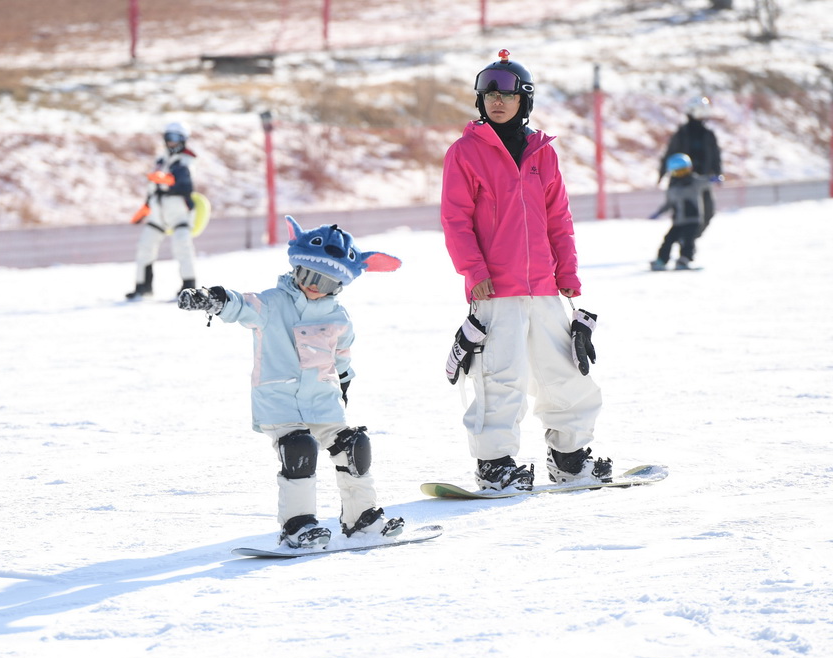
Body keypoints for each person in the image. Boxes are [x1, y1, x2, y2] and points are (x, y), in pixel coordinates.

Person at [177, 216, 405, 549]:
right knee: (299, 448)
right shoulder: (273, 303)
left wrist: (343, 387)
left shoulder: (339, 317)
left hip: (323, 400)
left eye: (326, 283)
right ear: (296, 268)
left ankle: (363, 519)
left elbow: (342, 358)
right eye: (309, 275)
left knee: (353, 447)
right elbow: (242, 304)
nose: (315, 286)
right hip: (280, 401)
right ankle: (298, 526)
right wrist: (212, 298)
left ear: (340, 286)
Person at [439, 49, 611, 492]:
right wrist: (473, 271)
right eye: (487, 93)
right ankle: (495, 466)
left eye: (506, 93)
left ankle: (570, 459)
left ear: (524, 99)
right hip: (495, 290)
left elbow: (559, 220)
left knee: (565, 372)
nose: (496, 100)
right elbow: (455, 219)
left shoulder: (542, 153)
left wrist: (567, 275)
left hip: (545, 288)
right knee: (501, 377)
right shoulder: (464, 154)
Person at [126, 122, 198, 299]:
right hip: (158, 211)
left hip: (178, 210)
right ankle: (143, 286)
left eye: (175, 138)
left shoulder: (185, 161)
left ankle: (189, 287)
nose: (171, 143)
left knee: (182, 246)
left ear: (182, 140)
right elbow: (153, 188)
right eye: (168, 138)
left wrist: (166, 180)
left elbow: (184, 185)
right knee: (145, 246)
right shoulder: (161, 161)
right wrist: (145, 208)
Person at [658, 96, 723, 232]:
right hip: (681, 180)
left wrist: (717, 173)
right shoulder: (682, 133)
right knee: (682, 215)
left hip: (702, 179)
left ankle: (691, 238)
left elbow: (715, 156)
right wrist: (662, 174)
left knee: (707, 212)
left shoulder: (708, 134)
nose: (702, 116)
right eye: (700, 112)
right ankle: (683, 243)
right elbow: (669, 154)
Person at [649, 153, 712, 271]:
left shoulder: (694, 182)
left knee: (688, 240)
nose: (680, 175)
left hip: (693, 219)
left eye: (683, 171)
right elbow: (668, 204)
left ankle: (685, 259)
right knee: (668, 239)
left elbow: (705, 181)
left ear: (689, 169)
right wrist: (659, 212)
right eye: (677, 172)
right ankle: (661, 260)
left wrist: (713, 178)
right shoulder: (672, 187)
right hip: (678, 220)